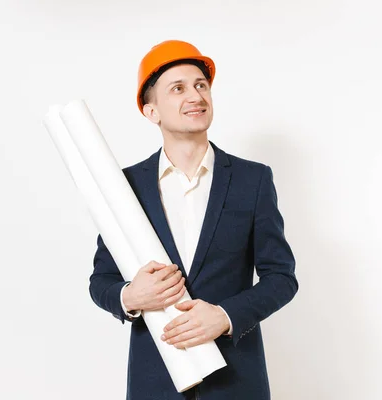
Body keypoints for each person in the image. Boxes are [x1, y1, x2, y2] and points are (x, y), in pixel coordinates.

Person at [88, 40, 298, 400]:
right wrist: (130, 296)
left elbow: (281, 277)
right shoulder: (125, 186)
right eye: (178, 88)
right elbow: (101, 280)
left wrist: (226, 315)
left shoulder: (253, 180)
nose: (196, 96)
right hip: (155, 381)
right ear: (151, 111)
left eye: (201, 85)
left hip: (235, 381)